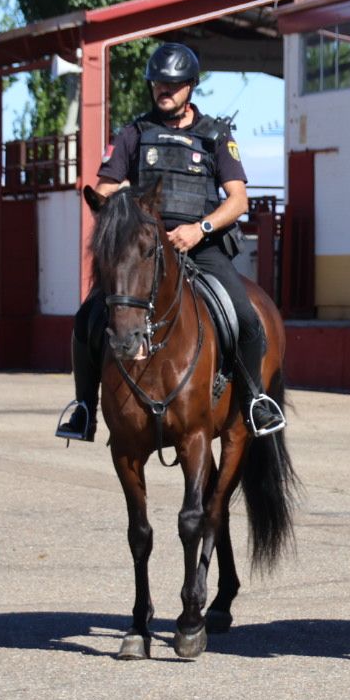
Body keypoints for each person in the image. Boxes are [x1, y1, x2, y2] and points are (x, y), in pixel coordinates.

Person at [55, 41, 285, 442]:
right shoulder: (133, 134)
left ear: (191, 86)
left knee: (247, 319)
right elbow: (105, 190)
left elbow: (238, 200)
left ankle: (254, 401)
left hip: (202, 244)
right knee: (87, 319)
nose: (165, 89)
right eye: (159, 83)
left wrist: (201, 229)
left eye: (174, 84)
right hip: (145, 250)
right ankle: (85, 408)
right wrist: (129, 214)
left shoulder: (215, 135)